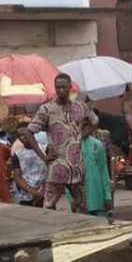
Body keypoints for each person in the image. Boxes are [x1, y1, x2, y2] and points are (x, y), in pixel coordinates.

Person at [20, 73, 98, 213]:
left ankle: (79, 230)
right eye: (58, 87)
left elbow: (94, 121)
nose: (61, 90)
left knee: (81, 204)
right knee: (49, 206)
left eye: (64, 87)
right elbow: (28, 132)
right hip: (57, 165)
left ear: (70, 87)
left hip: (77, 165)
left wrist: (80, 137)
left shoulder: (80, 106)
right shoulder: (47, 109)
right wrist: (43, 157)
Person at [80, 118, 114, 216]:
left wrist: (108, 195)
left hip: (98, 197)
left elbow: (103, 171)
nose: (83, 127)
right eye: (80, 124)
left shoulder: (97, 145)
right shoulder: (70, 145)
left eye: (86, 125)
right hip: (80, 199)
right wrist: (71, 198)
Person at [11, 129, 49, 207]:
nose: (24, 137)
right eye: (20, 136)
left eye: (26, 134)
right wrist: (32, 191)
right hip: (26, 194)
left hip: (45, 191)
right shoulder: (18, 154)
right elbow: (17, 177)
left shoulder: (45, 149)